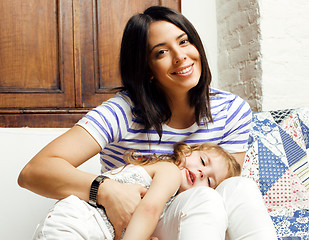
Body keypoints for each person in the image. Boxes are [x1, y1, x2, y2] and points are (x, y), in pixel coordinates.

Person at [18, 5, 277, 240]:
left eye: (184, 41)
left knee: (239, 186)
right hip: (125, 223)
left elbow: (224, 191)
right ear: (147, 70)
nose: (180, 57)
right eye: (161, 52)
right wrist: (107, 191)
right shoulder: (123, 111)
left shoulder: (231, 110)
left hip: (194, 222)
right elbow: (34, 172)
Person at [32, 142, 241, 240]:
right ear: (187, 152)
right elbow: (149, 208)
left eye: (210, 181)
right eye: (203, 161)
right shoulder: (169, 171)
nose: (202, 172)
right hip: (76, 223)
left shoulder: (174, 204)